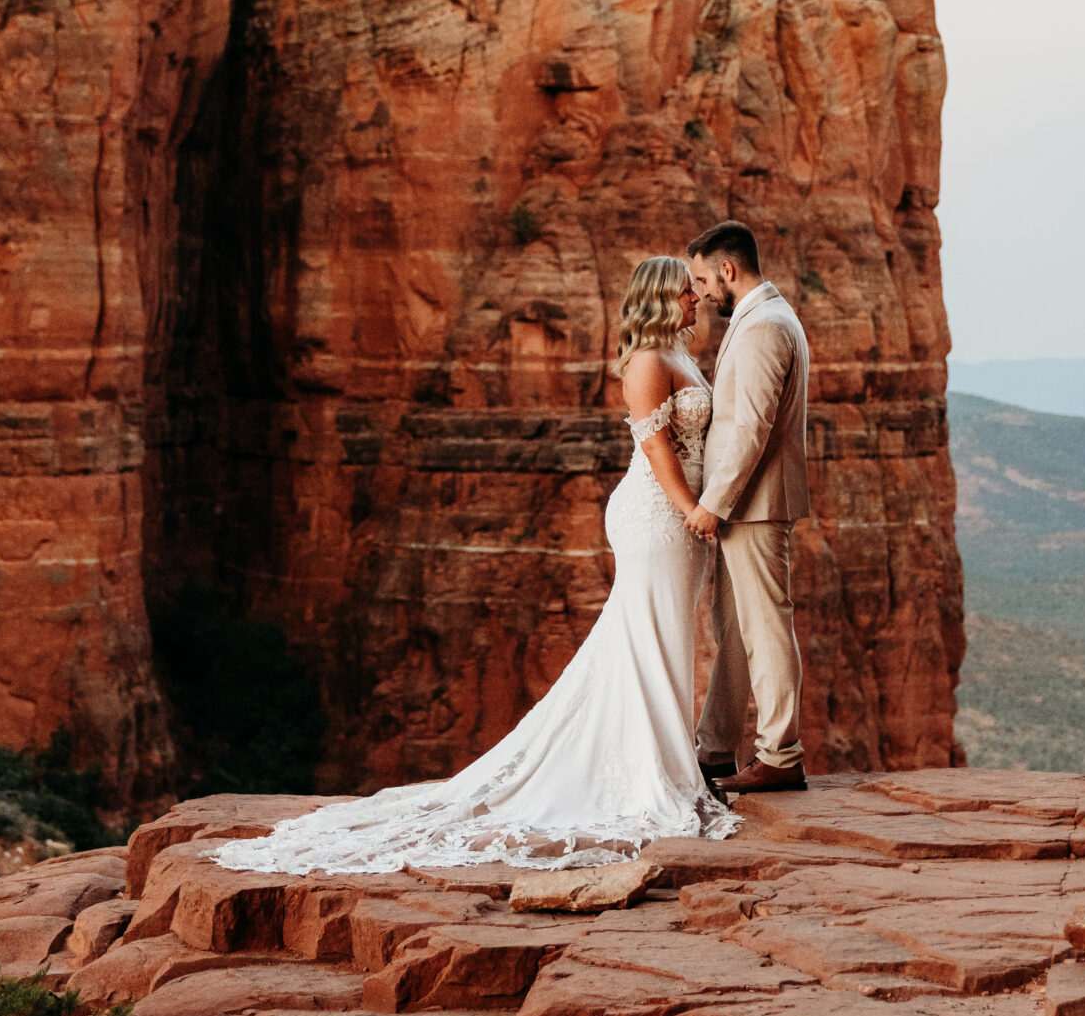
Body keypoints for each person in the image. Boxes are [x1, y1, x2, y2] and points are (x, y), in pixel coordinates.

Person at [208, 255, 737, 876]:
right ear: (659, 297)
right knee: (649, 634)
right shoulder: (648, 362)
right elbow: (653, 447)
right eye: (685, 291)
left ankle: (666, 763)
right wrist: (692, 509)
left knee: (662, 637)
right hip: (657, 516)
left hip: (681, 521)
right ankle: (655, 770)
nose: (696, 299)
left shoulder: (680, 355)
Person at [685, 221, 811, 795]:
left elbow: (752, 431)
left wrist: (713, 504)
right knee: (732, 630)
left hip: (754, 504)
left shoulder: (765, 327)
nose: (702, 291)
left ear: (728, 271)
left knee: (766, 626)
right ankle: (715, 750)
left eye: (704, 279)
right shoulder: (764, 317)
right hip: (747, 505)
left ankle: (780, 755)